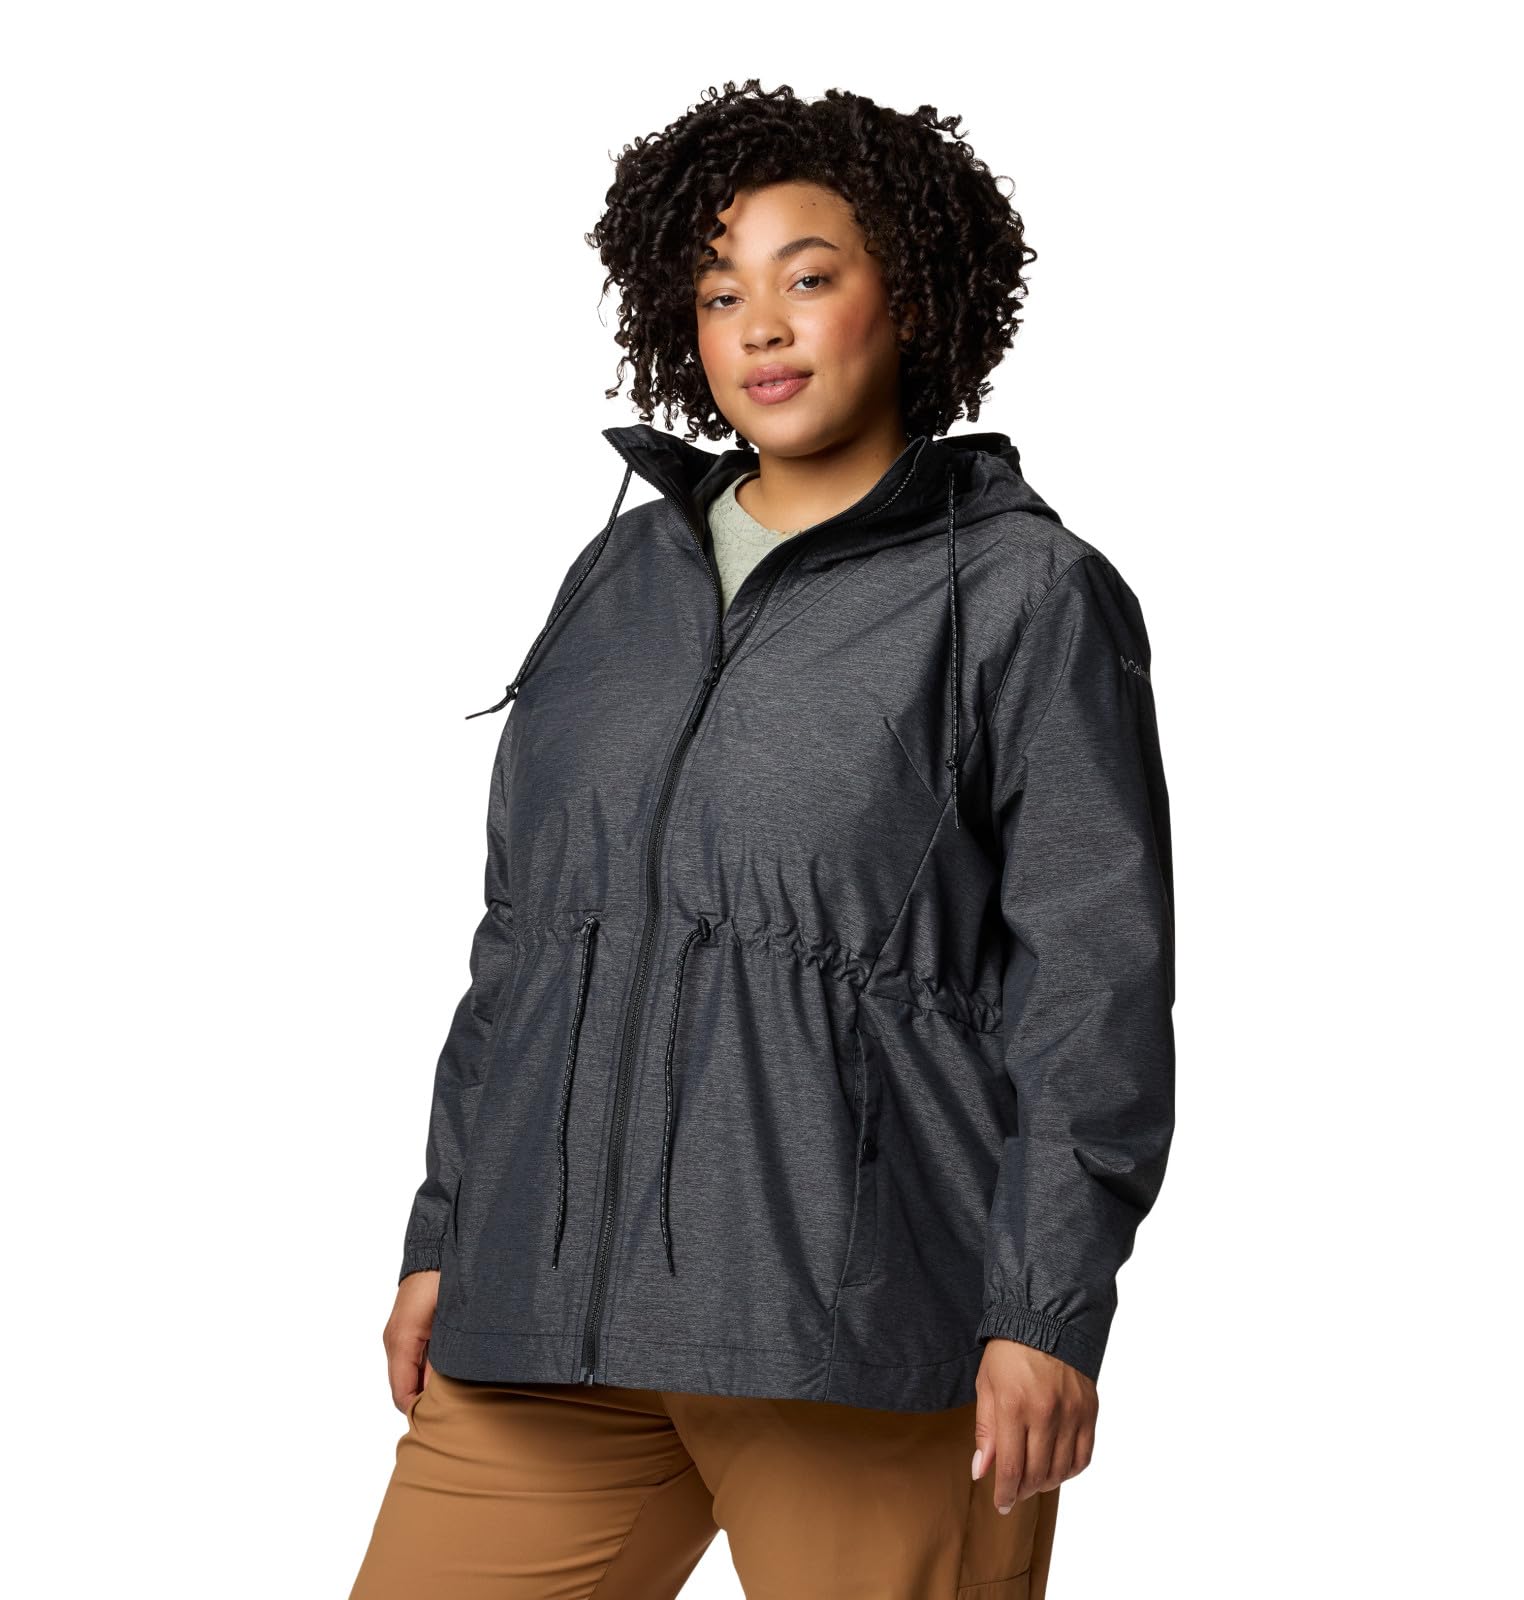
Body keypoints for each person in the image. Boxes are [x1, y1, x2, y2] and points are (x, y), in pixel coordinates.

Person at [349, 79, 1174, 1599]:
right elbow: (521, 942)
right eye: (721, 292)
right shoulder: (619, 579)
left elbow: (1093, 981)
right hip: (543, 1318)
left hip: (859, 1329)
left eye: (808, 277)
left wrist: (1046, 1310)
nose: (761, 328)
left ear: (908, 298)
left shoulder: (1025, 594)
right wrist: (446, 1231)